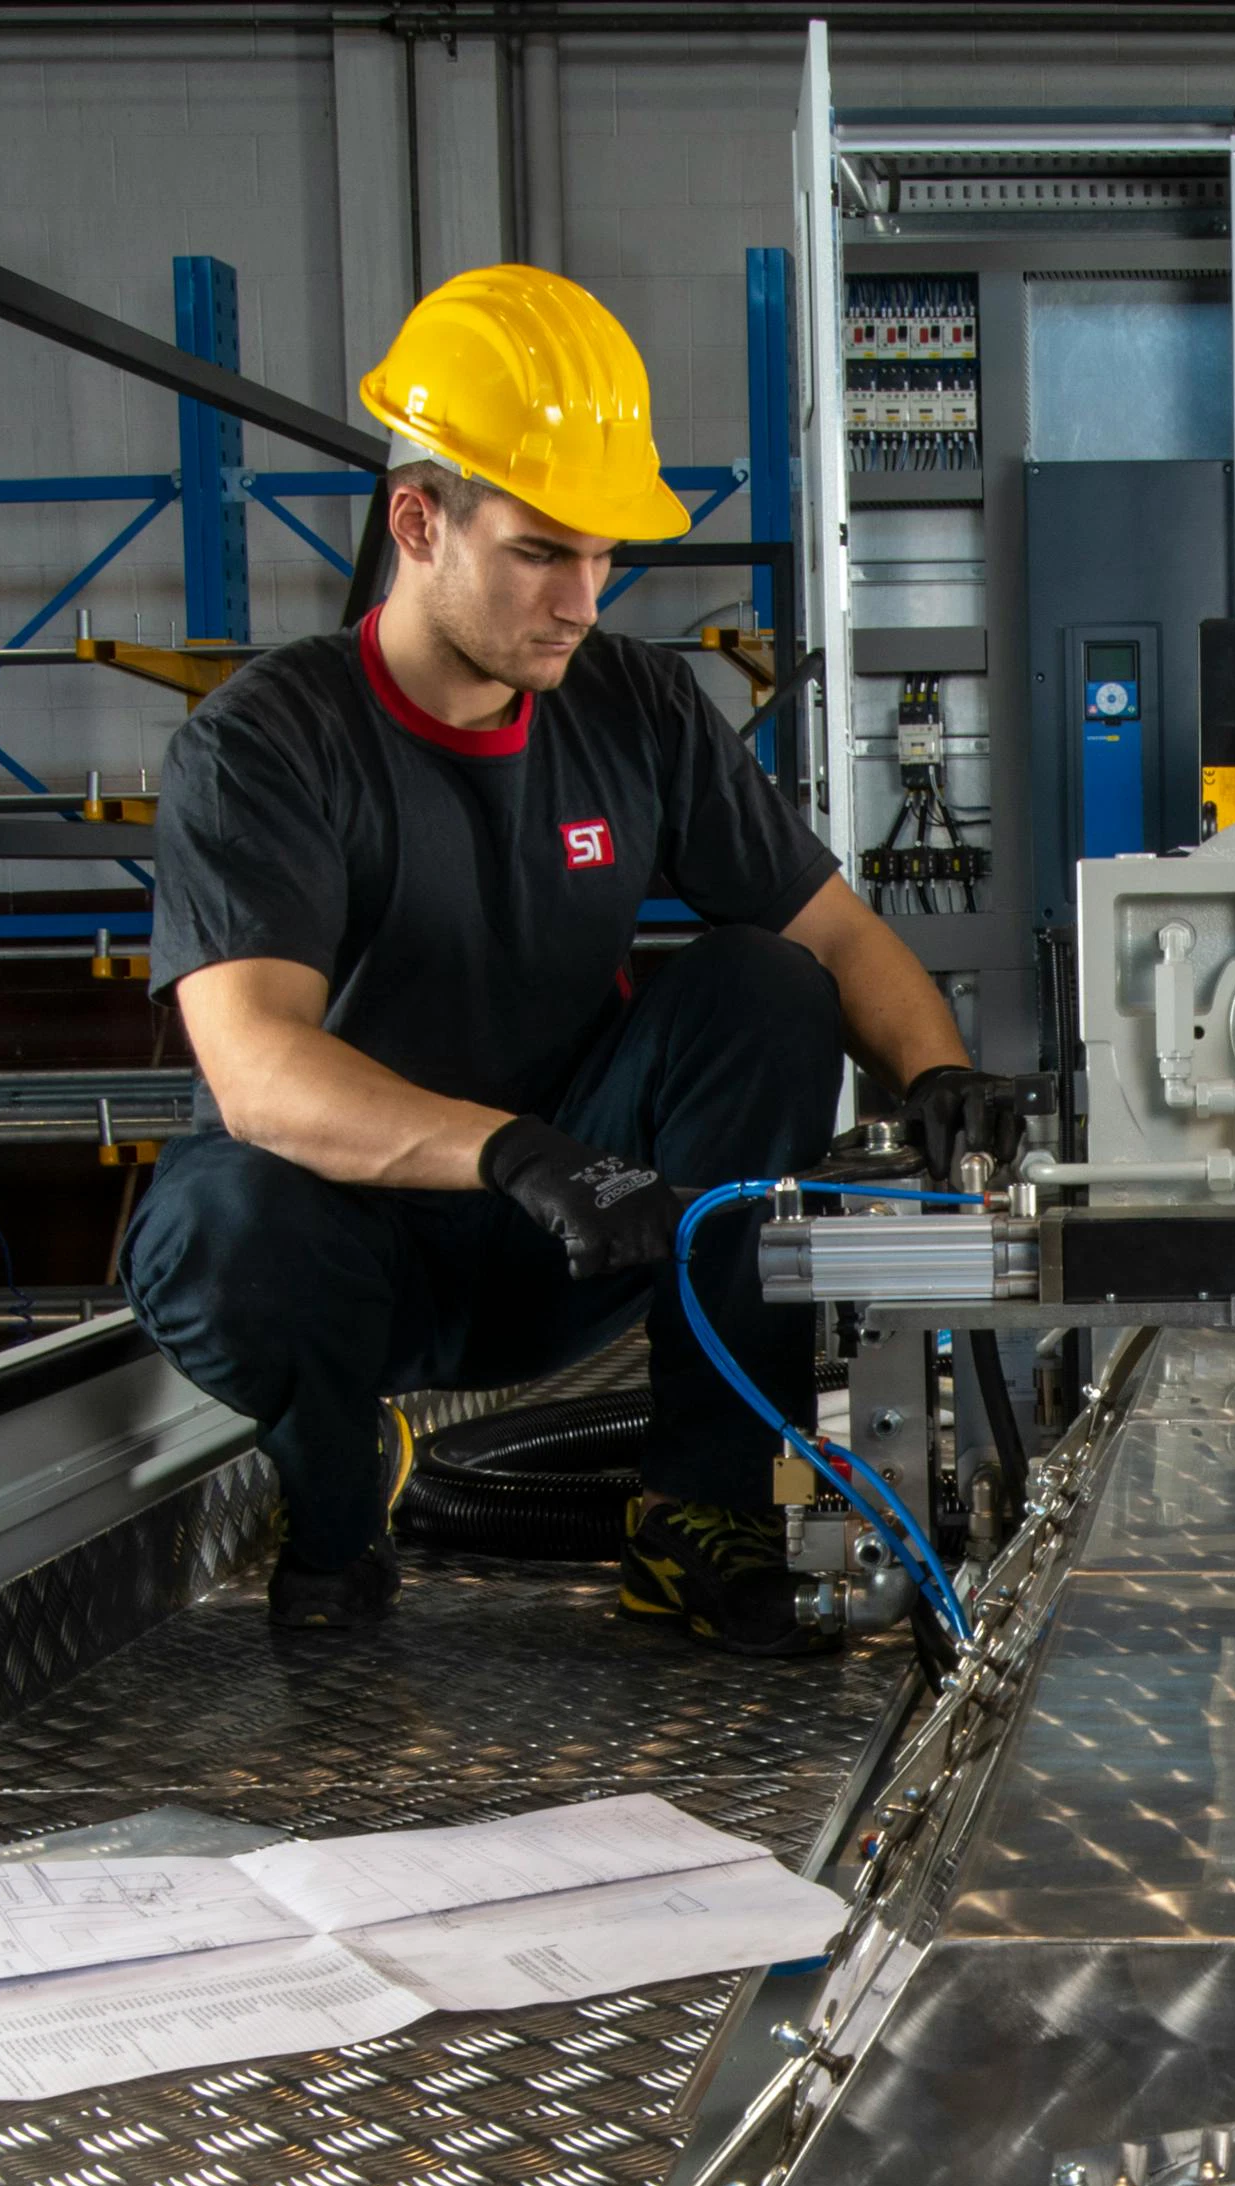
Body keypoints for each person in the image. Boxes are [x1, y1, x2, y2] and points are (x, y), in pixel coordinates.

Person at [127, 265, 1022, 1651]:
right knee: (219, 1224)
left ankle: (698, 1516)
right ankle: (335, 1508)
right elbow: (255, 1071)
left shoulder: (631, 705)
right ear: (417, 522)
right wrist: (515, 1151)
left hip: (581, 1224)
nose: (583, 597)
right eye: (543, 551)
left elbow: (834, 931)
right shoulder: (268, 743)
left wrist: (937, 1071)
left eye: (605, 555)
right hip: (355, 1248)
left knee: (767, 988)